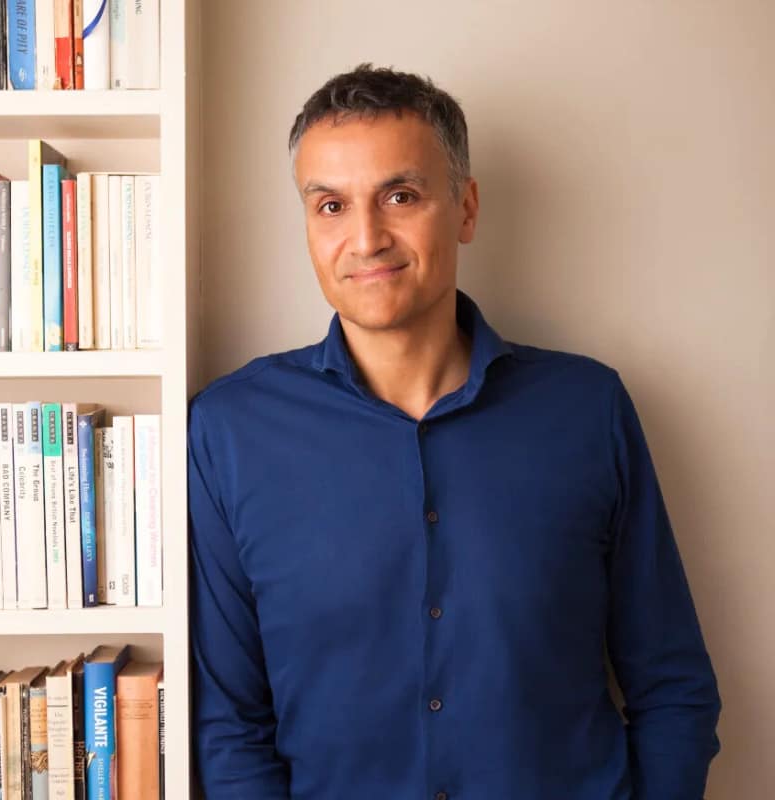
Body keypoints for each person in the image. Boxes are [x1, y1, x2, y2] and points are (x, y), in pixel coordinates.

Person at [188, 64, 721, 800]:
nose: (366, 238)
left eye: (400, 196)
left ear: (465, 209)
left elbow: (672, 687)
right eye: (331, 205)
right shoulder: (230, 432)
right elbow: (231, 728)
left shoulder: (588, 409)